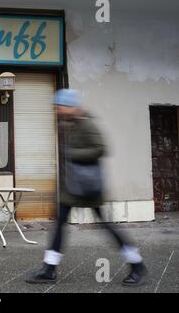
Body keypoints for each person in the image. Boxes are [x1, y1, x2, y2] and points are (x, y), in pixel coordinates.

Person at [25, 89, 147, 286]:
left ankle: (137, 264)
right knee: (59, 224)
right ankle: (49, 269)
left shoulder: (87, 124)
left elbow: (101, 148)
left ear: (71, 107)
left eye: (60, 106)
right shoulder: (69, 124)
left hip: (87, 186)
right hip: (71, 187)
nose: (57, 110)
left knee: (106, 226)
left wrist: (74, 153)